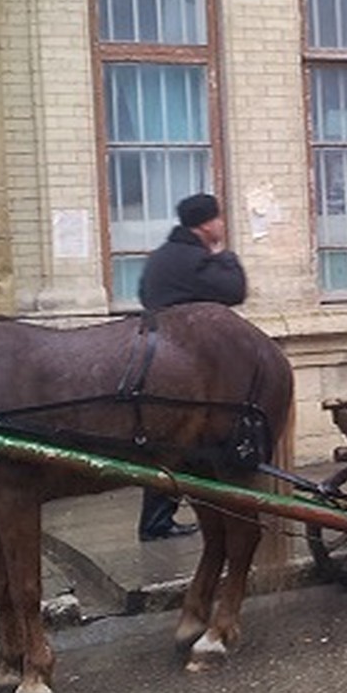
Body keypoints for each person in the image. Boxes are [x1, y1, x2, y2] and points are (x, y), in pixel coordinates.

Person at [136, 192, 247, 541]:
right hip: (186, 365)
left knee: (169, 445)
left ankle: (157, 521)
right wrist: (224, 256)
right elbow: (235, 290)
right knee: (192, 440)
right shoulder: (197, 260)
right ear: (205, 224)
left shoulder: (161, 257)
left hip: (154, 359)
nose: (222, 224)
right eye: (218, 219)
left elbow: (144, 294)